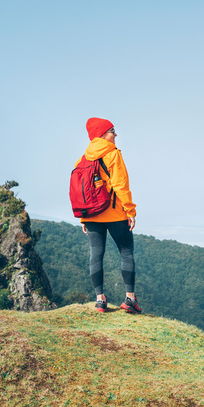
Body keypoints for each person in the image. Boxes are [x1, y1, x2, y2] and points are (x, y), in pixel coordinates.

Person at [76, 117, 141, 314]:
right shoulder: (113, 155)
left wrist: (83, 217)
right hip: (115, 214)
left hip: (92, 215)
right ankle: (130, 299)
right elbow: (121, 185)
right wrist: (130, 211)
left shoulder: (83, 159)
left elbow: (81, 192)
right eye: (113, 130)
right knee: (126, 252)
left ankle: (99, 301)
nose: (116, 134)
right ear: (103, 134)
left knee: (96, 255)